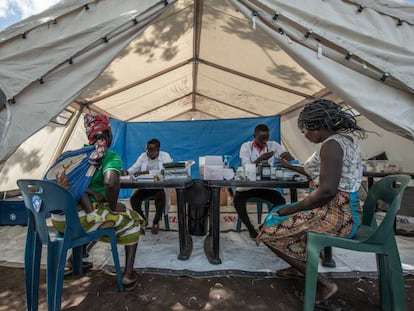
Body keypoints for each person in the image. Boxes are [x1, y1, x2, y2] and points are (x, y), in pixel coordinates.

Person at [256, 99, 366, 303]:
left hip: (339, 219)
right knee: (280, 212)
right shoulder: (343, 141)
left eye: (304, 130)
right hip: (345, 212)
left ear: (315, 126)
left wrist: (290, 210)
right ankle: (298, 268)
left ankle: (325, 284)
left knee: (268, 230)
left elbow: (326, 192)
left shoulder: (331, 146)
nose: (304, 135)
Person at [47, 113, 146, 291]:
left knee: (94, 213)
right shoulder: (109, 156)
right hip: (81, 222)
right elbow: (110, 182)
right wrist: (114, 206)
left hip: (59, 220)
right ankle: (129, 275)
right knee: (132, 219)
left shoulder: (75, 155)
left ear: (89, 137)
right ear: (108, 135)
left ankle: (74, 259)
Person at [233, 123, 293, 238]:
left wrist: (288, 157)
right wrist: (260, 159)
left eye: (267, 138)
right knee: (237, 200)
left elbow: (287, 158)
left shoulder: (273, 145)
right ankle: (251, 229)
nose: (265, 141)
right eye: (261, 138)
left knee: (280, 201)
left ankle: (264, 226)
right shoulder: (246, 147)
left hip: (266, 187)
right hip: (249, 187)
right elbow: (246, 168)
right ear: (254, 136)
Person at [123, 138, 173, 234]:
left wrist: (147, 172)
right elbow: (134, 167)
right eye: (147, 149)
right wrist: (126, 172)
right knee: (134, 199)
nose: (148, 152)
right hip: (145, 187)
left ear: (158, 150)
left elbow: (165, 171)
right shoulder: (143, 156)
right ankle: (143, 219)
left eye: (151, 150)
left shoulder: (165, 156)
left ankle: (155, 222)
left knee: (161, 197)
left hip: (159, 188)